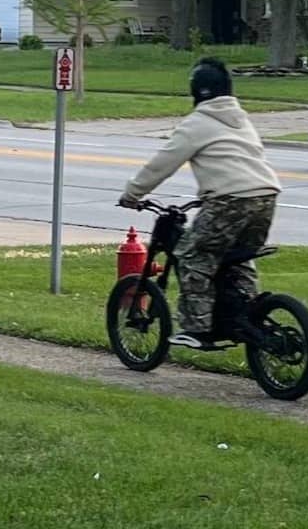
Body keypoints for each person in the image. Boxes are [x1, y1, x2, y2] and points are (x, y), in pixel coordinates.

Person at [118, 57, 282, 349]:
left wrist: (132, 194)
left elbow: (162, 164)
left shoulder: (197, 123)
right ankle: (246, 315)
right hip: (266, 196)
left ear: (196, 90)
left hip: (229, 200)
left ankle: (198, 328)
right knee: (238, 257)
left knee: (192, 255)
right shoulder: (240, 118)